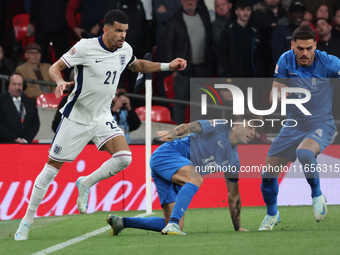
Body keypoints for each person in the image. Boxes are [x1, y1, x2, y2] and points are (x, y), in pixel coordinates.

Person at [13, 9, 186, 241]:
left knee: (125, 157)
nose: (122, 35)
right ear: (105, 30)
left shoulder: (125, 49)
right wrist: (60, 81)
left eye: (125, 31)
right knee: (49, 171)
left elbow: (139, 66)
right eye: (118, 30)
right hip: (76, 117)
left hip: (102, 116)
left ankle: (85, 183)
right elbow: (55, 67)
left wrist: (168, 66)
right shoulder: (85, 47)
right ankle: (26, 222)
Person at [107, 113, 260, 235]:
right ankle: (173, 224)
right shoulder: (220, 126)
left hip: (175, 169)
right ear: (238, 123)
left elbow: (233, 194)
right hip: (167, 154)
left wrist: (237, 227)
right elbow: (192, 126)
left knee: (175, 223)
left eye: (256, 130)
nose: (254, 133)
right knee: (195, 178)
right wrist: (173, 132)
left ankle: (121, 222)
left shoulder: (233, 160)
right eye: (251, 127)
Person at [258, 26, 340, 231]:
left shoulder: (329, 63)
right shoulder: (286, 59)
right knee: (267, 175)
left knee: (304, 152)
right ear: (292, 45)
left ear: (315, 46)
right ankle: (271, 215)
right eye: (300, 48)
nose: (304, 53)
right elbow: (275, 89)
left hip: (321, 123)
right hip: (293, 125)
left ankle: (317, 195)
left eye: (309, 48)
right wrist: (278, 94)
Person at [164, 0, 213, 124]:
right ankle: (179, 138)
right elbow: (168, 46)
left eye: (192, 0)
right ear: (181, 1)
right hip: (182, 70)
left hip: (202, 69)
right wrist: (174, 70)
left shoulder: (204, 17)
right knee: (180, 105)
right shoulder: (174, 20)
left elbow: (209, 41)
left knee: (201, 107)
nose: (189, 2)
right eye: (186, 0)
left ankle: (199, 137)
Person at [218, 0, 264, 77]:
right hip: (235, 77)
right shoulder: (228, 31)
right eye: (242, 9)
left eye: (248, 9)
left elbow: (260, 56)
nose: (245, 13)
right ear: (236, 11)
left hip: (253, 76)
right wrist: (229, 76)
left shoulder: (255, 31)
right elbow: (223, 56)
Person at [0, 73, 40, 143]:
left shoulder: (30, 102)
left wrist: (25, 140)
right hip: (4, 144)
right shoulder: (1, 100)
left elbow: (35, 124)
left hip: (25, 144)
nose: (16, 87)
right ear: (8, 85)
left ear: (23, 86)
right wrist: (15, 139)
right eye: (14, 84)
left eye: (19, 84)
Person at [270, 1, 306, 67]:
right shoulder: (280, 31)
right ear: (289, 14)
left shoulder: (304, 32)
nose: (300, 15)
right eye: (297, 12)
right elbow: (279, 58)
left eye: (302, 13)